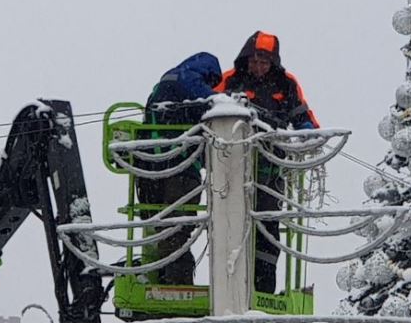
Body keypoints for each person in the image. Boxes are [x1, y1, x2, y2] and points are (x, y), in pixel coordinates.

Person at [214, 31, 318, 293]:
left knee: (267, 227)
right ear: (246, 58)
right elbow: (208, 110)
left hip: (270, 169)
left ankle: (263, 289)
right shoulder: (230, 81)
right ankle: (229, 287)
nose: (258, 67)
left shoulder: (286, 84)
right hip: (230, 169)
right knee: (229, 226)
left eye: (264, 62)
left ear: (273, 63)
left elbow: (304, 118)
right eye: (255, 60)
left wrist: (308, 134)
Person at [135, 52, 222, 285]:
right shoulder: (188, 78)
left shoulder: (162, 84)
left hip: (150, 168)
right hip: (180, 168)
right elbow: (218, 105)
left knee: (160, 222)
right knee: (178, 223)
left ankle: (161, 274)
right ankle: (177, 279)